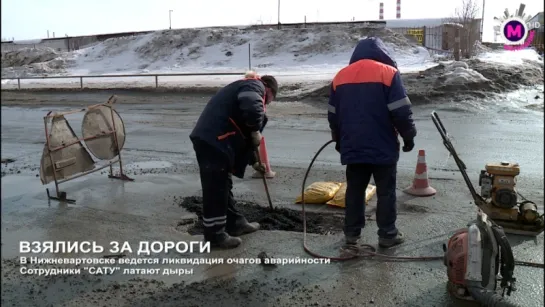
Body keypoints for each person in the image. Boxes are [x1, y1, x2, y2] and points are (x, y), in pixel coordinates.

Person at [327, 37, 417, 249]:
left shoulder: (341, 76)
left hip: (353, 145)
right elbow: (400, 110)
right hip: (382, 145)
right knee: (386, 191)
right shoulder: (388, 73)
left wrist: (338, 138)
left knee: (355, 190)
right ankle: (387, 234)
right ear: (382, 53)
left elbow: (333, 114)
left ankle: (351, 234)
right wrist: (409, 135)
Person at [189, 72, 278, 249]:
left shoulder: (246, 87)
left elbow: (244, 132)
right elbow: (252, 109)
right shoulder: (254, 86)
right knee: (216, 188)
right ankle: (215, 235)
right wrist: (255, 129)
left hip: (218, 140)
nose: (266, 103)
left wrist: (253, 161)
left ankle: (235, 223)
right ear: (268, 89)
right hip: (213, 140)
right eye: (268, 99)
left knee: (223, 184)